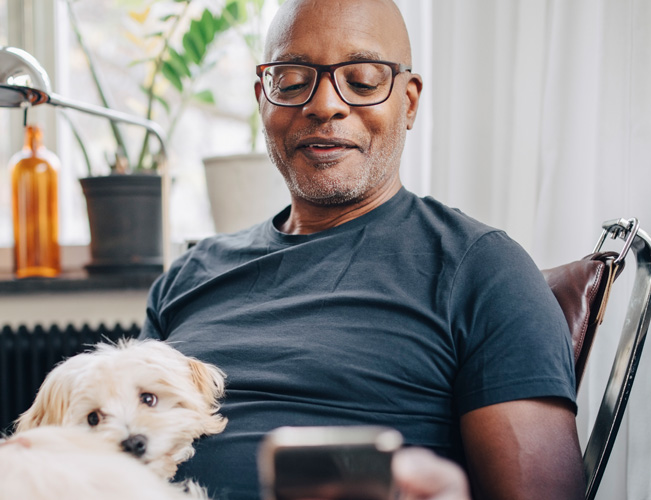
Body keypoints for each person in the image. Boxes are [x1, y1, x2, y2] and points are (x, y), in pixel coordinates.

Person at [139, 0, 584, 499]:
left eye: (363, 79)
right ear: (263, 99)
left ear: (409, 102)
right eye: (291, 80)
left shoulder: (483, 270)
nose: (324, 104)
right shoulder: (188, 278)